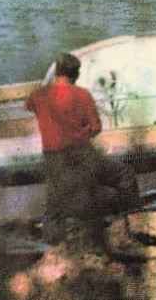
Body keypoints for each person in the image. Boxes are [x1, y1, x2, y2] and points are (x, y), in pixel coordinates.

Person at [26, 52, 137, 246]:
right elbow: (95, 128)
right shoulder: (83, 95)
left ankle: (53, 247)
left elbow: (29, 106)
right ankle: (131, 223)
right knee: (124, 175)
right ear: (76, 74)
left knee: (54, 205)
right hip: (81, 155)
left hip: (52, 159)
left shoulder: (39, 95)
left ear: (57, 72)